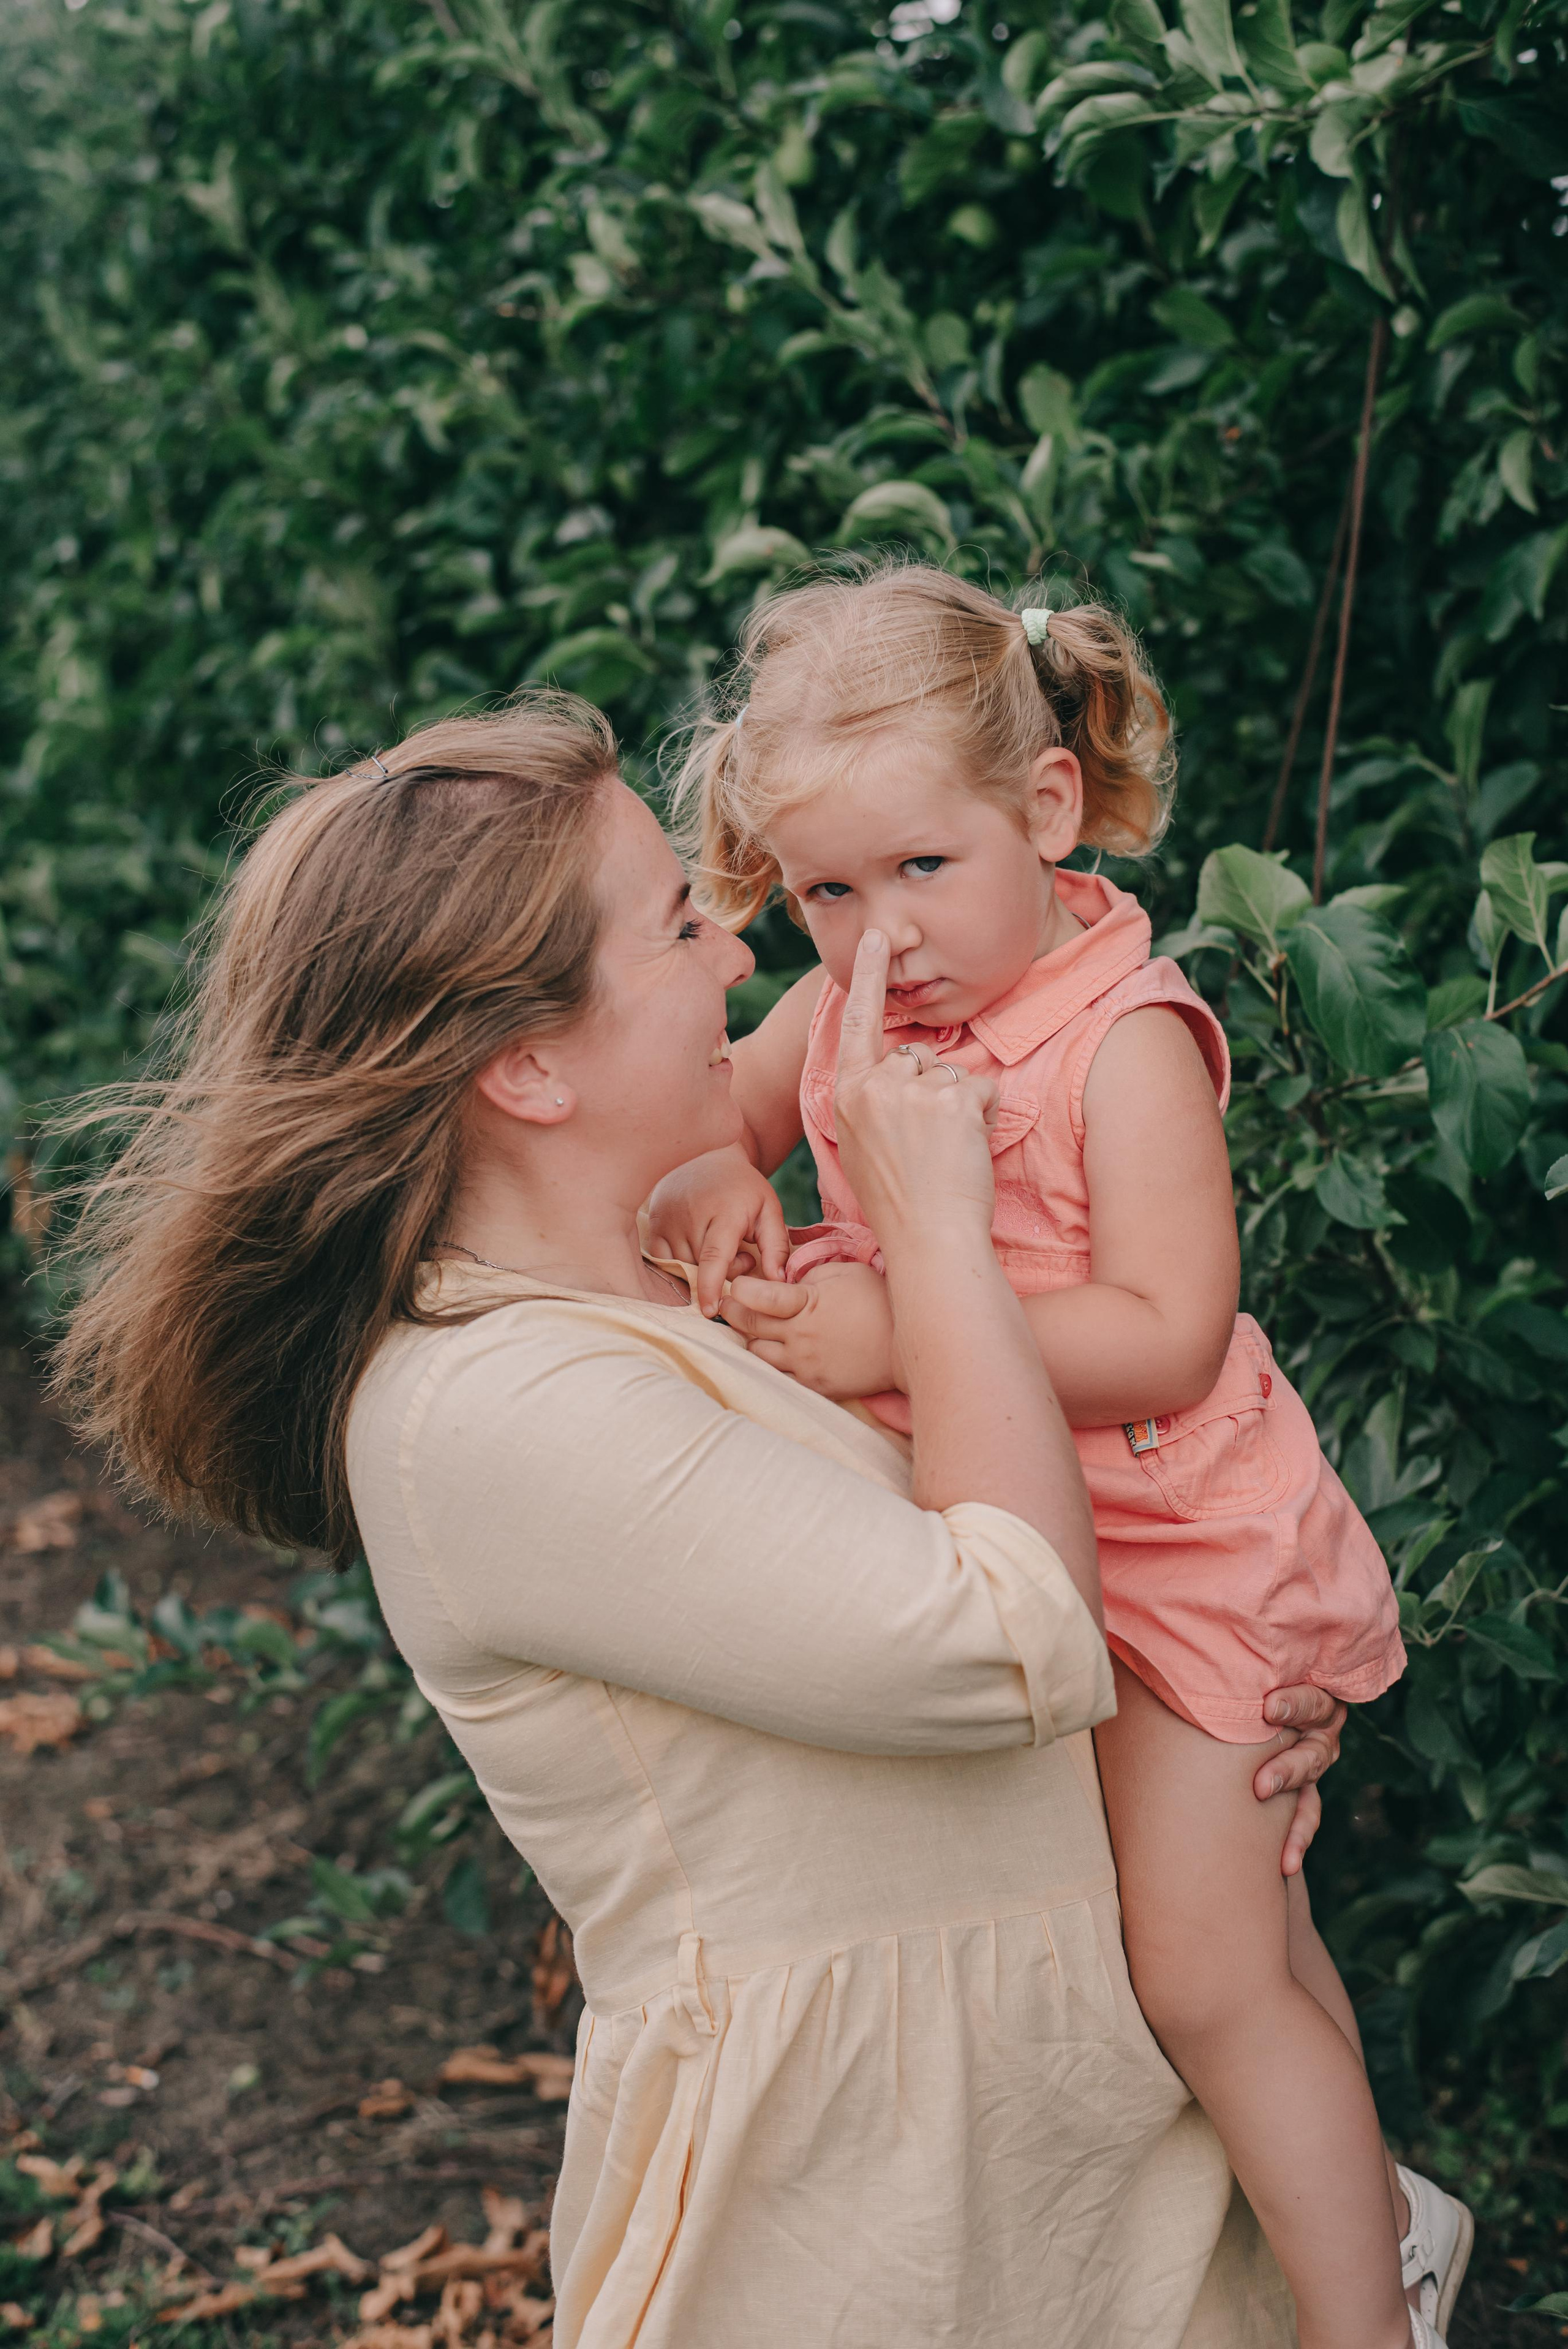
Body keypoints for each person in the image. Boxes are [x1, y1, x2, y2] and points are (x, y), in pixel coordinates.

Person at [58, 692, 1349, 2349]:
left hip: (1096, 2195)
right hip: (860, 2243)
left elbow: (1066, 1543)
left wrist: (1235, 1682)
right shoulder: (491, 1413)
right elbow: (1011, 1640)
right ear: (527, 1064)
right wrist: (939, 1232)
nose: (744, 961)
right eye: (679, 922)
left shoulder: (683, 1280)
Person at [651, 564, 1472, 2349]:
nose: (882, 936)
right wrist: (723, 1168)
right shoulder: (853, 1005)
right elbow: (712, 1107)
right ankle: (1369, 2218)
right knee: (1242, 1950)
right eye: (828, 889)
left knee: (1196, 1973)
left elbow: (1172, 1326)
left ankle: (1366, 2318)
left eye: (923, 869)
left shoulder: (1122, 1040)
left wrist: (896, 1333)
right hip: (1034, 1560)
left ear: (1043, 807)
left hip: (1190, 1555)